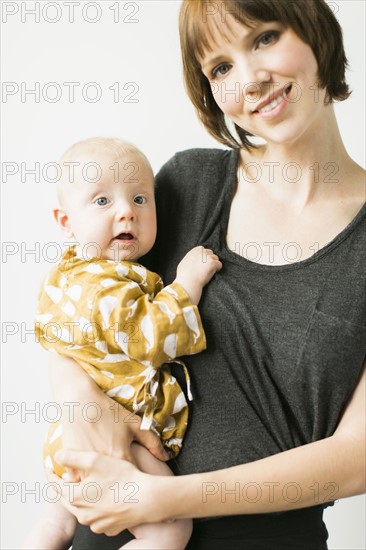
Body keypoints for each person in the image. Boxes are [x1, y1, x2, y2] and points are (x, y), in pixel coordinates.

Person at [46, 1, 365, 548]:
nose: (250, 80)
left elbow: (357, 456)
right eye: (219, 68)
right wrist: (78, 400)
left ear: (318, 35)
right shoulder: (185, 184)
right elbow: (80, 307)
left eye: (264, 37)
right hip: (113, 525)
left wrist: (168, 499)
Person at [22, 136, 222, 549]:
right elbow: (151, 337)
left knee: (56, 526)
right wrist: (188, 282)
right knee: (171, 529)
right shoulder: (104, 284)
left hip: (69, 440)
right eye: (101, 201)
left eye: (140, 199)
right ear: (65, 222)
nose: (126, 211)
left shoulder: (68, 275)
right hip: (116, 442)